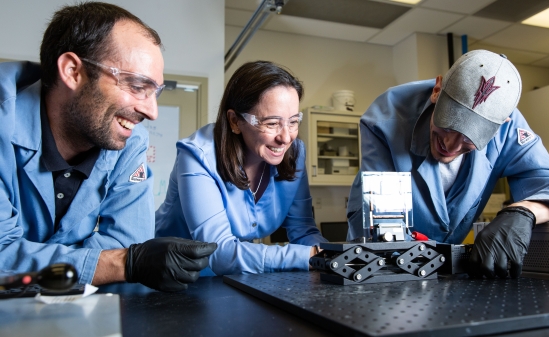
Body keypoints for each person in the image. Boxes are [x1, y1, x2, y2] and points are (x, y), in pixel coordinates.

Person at [0, 2, 216, 292]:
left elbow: (126, 241)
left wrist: (110, 260)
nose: (152, 113)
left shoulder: (130, 141)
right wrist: (118, 264)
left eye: (156, 92)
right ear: (73, 71)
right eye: (137, 86)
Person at [346, 49, 549, 279]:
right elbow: (383, 227)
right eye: (448, 124)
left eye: (470, 138)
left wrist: (524, 212)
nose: (450, 145)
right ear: (437, 90)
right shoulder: (386, 117)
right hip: (383, 269)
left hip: (451, 274)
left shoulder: (507, 128)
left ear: (501, 124)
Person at [155, 60, 328, 275]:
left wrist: (331, 255)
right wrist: (310, 257)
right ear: (235, 121)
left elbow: (302, 231)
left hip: (237, 275)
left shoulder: (294, 153)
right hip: (172, 279)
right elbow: (217, 252)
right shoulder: (197, 155)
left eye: (293, 122)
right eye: (272, 123)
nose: (285, 137)